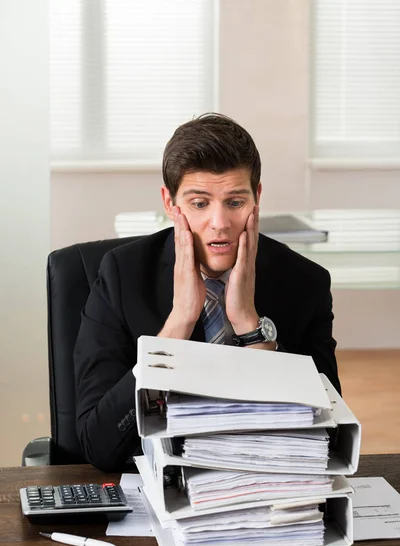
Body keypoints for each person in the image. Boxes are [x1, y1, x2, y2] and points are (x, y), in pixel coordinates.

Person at [74, 113, 341, 472]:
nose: (220, 223)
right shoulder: (121, 275)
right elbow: (99, 445)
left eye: (235, 202)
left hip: (261, 493)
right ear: (170, 203)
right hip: (162, 489)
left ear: (256, 196)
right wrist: (178, 325)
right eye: (200, 204)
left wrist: (251, 329)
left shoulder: (305, 283)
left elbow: (328, 441)